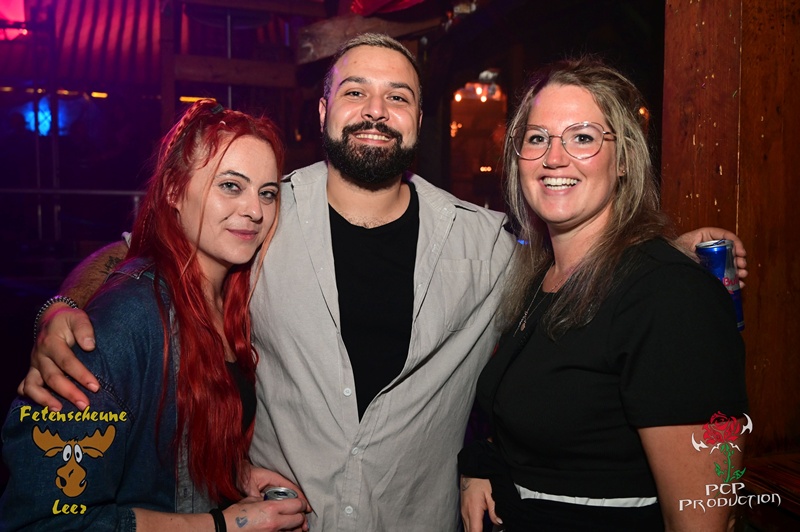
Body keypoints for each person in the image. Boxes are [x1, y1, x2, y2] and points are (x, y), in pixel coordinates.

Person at [19, 36, 747, 531]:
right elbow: (140, 254)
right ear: (324, 110)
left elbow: (583, 264)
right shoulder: (262, 211)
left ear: (419, 120)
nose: (375, 110)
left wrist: (670, 251)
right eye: (356, 92)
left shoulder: (484, 244)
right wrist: (61, 308)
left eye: (397, 96)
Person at [458, 57, 748, 531]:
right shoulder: (540, 279)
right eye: (537, 138)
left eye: (582, 137)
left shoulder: (671, 298)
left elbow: (704, 521)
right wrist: (481, 466)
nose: (554, 158)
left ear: (625, 159)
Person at [0, 100, 310, 530]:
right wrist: (225, 524)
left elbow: (165, 451)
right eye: (230, 186)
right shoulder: (126, 320)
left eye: (267, 193)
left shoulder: (234, 300)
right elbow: (44, 520)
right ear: (174, 192)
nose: (255, 210)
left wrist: (235, 475)